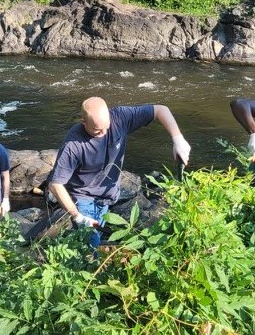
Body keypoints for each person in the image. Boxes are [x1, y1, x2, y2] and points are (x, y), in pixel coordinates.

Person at [47, 96, 191, 247]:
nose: (104, 133)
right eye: (97, 130)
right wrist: (77, 216)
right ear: (83, 122)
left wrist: (178, 139)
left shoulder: (120, 117)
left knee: (97, 235)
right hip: (83, 197)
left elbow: (160, 110)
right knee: (90, 241)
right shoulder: (73, 144)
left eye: (106, 127)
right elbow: (55, 184)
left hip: (108, 196)